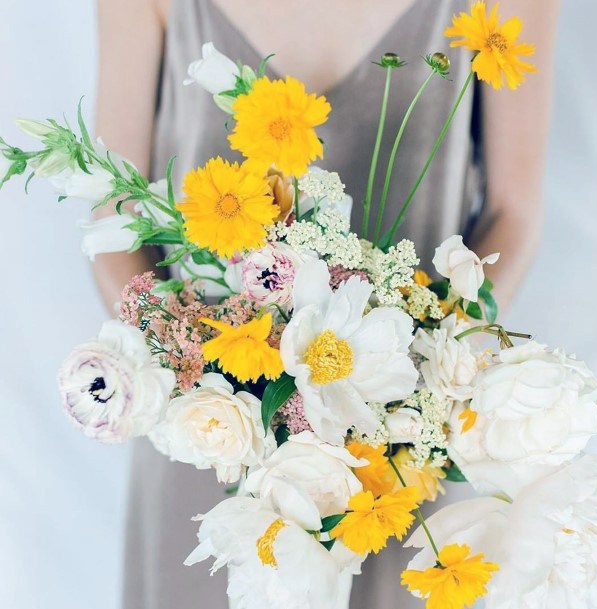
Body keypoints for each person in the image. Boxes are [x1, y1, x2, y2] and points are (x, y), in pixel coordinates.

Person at [94, 0, 559, 607]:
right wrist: (194, 377)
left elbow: (512, 212)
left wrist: (430, 370)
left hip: (395, 455)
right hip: (215, 440)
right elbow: (113, 219)